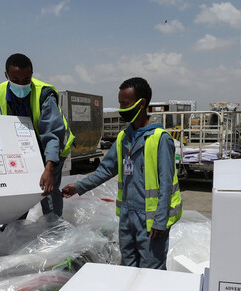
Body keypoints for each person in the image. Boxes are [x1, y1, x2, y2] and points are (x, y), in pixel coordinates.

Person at [61, 77, 182, 269]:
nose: (121, 109)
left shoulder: (160, 139)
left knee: (151, 269)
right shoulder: (124, 138)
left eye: (125, 104)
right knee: (128, 266)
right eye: (120, 103)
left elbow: (166, 184)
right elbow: (105, 170)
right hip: (127, 217)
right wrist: (78, 187)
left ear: (141, 104)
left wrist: (160, 221)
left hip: (149, 219)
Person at [0, 53, 74, 218]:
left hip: (53, 148)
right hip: (26, 148)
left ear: (32, 74)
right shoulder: (1, 90)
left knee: (47, 190)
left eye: (26, 80)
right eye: (15, 80)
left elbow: (52, 134)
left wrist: (48, 168)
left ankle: (53, 226)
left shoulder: (45, 95)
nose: (21, 85)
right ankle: (16, 226)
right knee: (19, 190)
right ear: (6, 75)